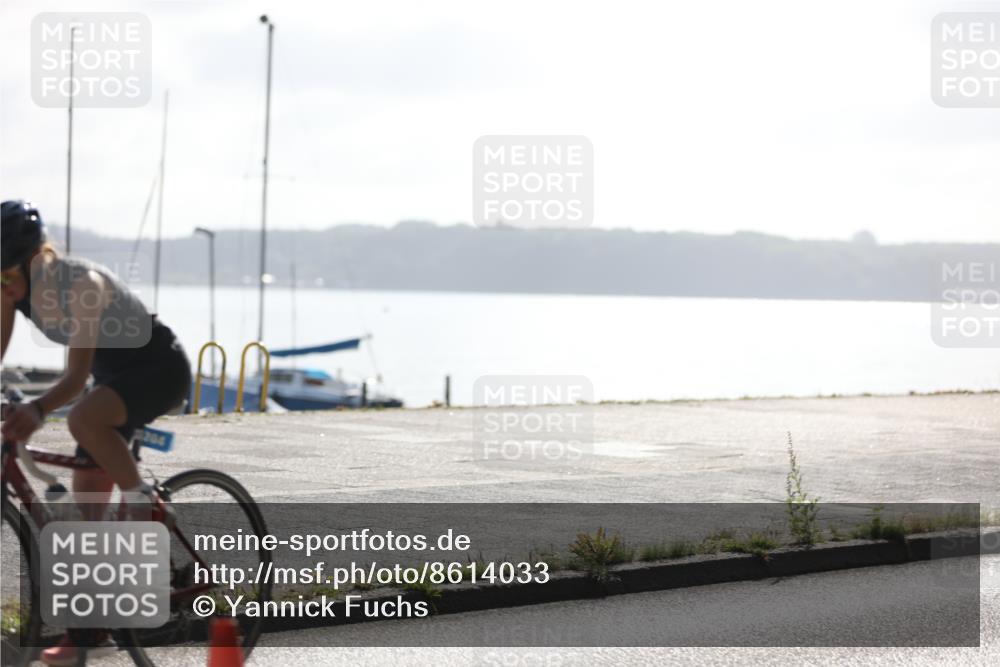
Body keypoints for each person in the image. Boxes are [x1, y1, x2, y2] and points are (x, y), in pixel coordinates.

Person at [0, 200, 192, 666]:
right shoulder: (10, 290)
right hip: (112, 382)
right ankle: (90, 633)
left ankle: (144, 500)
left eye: (6, 276)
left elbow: (73, 378)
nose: (3, 287)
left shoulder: (82, 284)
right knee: (85, 523)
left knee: (82, 418)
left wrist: (37, 408)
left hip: (158, 369)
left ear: (33, 259)